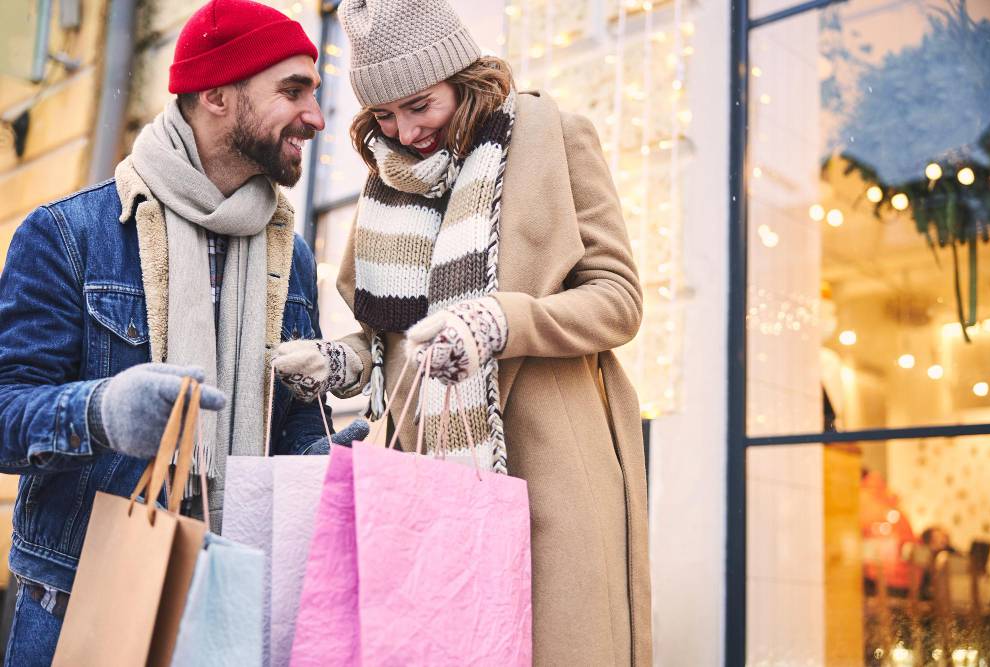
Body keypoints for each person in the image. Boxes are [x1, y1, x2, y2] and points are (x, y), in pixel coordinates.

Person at [271, 0, 651, 663]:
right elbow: (394, 342)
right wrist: (339, 362)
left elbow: (618, 301)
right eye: (384, 116)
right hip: (422, 490)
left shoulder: (556, 136)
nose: (405, 130)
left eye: (420, 105)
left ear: (460, 76)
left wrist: (501, 319)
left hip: (550, 470)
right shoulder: (385, 186)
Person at [0, 1, 363, 663]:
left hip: (232, 612)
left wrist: (322, 457)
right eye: (292, 91)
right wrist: (104, 411)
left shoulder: (291, 255)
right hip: (81, 611)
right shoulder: (68, 237)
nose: (316, 115)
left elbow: (287, 425)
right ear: (216, 95)